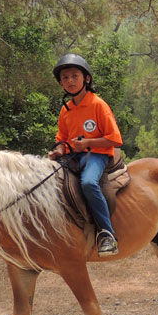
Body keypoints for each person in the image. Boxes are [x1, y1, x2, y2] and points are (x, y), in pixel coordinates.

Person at [46, 53, 124, 256]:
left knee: (89, 183)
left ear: (86, 79)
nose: (70, 81)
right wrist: (58, 150)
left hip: (97, 155)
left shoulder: (98, 104)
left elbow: (115, 139)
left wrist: (88, 143)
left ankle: (107, 234)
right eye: (65, 78)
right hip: (74, 156)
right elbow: (62, 137)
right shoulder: (66, 109)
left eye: (74, 76)